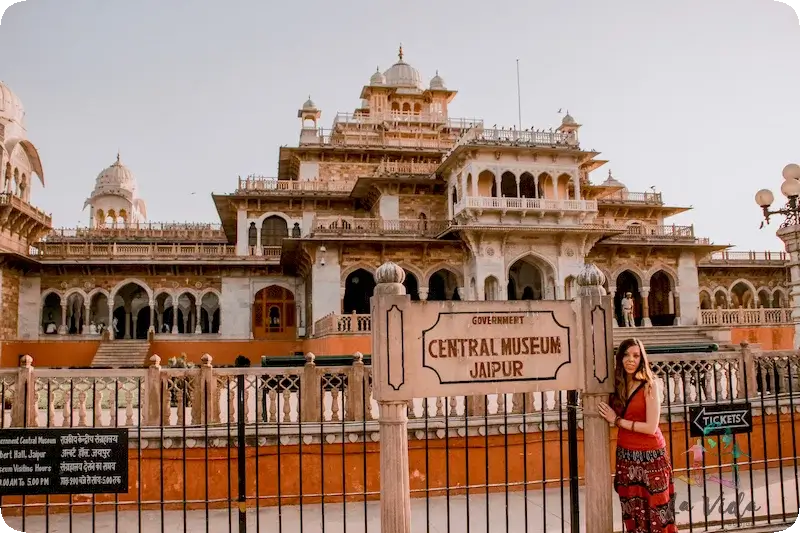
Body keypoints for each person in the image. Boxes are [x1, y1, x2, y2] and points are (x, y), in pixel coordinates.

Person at [598, 338, 677, 533]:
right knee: (632, 514)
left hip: (651, 457)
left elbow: (651, 427)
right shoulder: (617, 385)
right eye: (626, 355)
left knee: (657, 514)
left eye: (635, 355)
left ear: (642, 358)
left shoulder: (649, 385)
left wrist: (617, 421)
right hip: (626, 456)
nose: (630, 360)